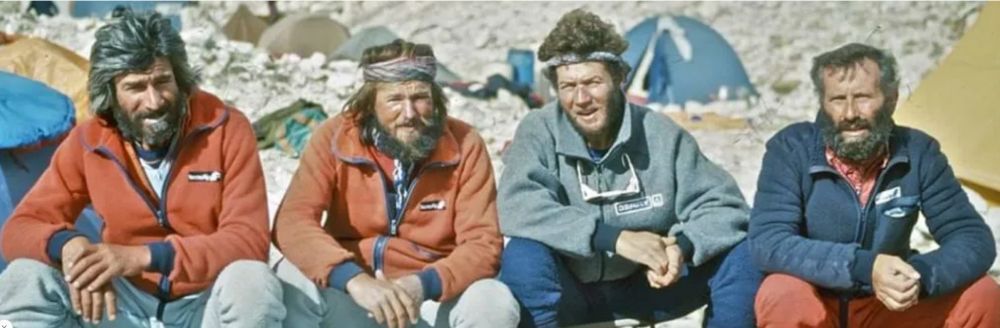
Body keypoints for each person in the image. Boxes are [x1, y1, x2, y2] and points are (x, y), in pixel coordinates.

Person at [0, 10, 284, 327]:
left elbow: (248, 241)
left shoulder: (225, 128)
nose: (153, 101)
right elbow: (19, 227)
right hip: (120, 306)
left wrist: (139, 257)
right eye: (135, 88)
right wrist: (70, 248)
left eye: (163, 82)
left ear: (180, 79)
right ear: (110, 93)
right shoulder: (89, 142)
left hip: (203, 303)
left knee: (252, 282)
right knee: (26, 276)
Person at [497, 9, 761, 328]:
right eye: (568, 86)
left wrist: (683, 246)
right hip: (572, 293)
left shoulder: (660, 133)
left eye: (593, 82)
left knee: (743, 253)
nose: (580, 98)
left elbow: (726, 206)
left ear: (619, 79)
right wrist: (614, 238)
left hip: (649, 286)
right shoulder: (539, 129)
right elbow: (518, 206)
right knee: (523, 256)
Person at [750, 43, 1000, 327]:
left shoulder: (918, 151)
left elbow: (972, 238)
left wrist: (919, 277)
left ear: (892, 99)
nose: (849, 112)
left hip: (890, 306)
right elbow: (768, 241)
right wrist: (864, 266)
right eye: (837, 99)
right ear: (822, 103)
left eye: (863, 97)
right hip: (819, 301)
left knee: (982, 295)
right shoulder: (791, 149)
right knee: (782, 292)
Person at [273, 39, 519, 328]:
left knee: (493, 300)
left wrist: (423, 284)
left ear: (435, 98)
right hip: (355, 294)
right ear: (370, 103)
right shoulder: (335, 138)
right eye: (394, 100)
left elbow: (483, 243)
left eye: (419, 98)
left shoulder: (464, 144)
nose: (410, 114)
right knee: (290, 276)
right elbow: (293, 221)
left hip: (428, 298)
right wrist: (352, 278)